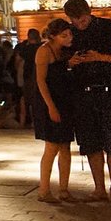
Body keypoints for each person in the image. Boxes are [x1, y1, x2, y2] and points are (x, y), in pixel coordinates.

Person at [63, 0, 111, 203]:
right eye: (74, 21)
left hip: (110, 92)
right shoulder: (69, 33)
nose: (78, 25)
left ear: (89, 13)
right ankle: (99, 189)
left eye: (82, 20)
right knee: (90, 143)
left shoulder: (109, 26)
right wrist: (70, 63)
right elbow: (60, 63)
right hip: (82, 94)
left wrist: (99, 56)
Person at [31, 18, 76, 202]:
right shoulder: (44, 51)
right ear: (53, 36)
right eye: (64, 36)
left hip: (65, 100)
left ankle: (64, 189)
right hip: (50, 101)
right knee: (52, 146)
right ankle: (44, 190)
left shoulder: (65, 52)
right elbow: (41, 81)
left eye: (70, 34)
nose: (69, 38)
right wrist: (51, 107)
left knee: (65, 145)